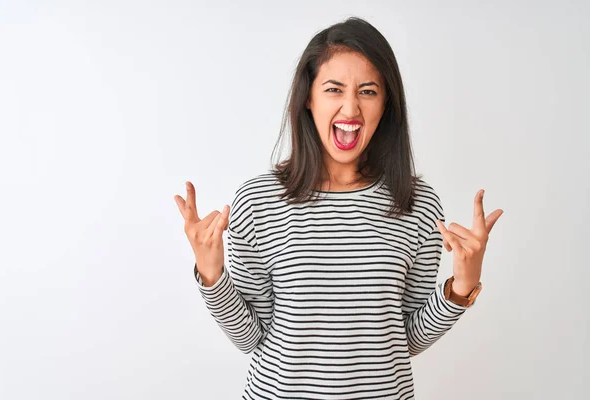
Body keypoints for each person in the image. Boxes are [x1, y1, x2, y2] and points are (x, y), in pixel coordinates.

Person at [174, 16, 503, 400]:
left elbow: (406, 339)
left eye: (368, 91)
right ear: (309, 100)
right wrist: (211, 275)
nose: (351, 108)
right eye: (334, 89)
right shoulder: (258, 202)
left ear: (386, 105)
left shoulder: (417, 203)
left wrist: (462, 287)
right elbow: (251, 338)